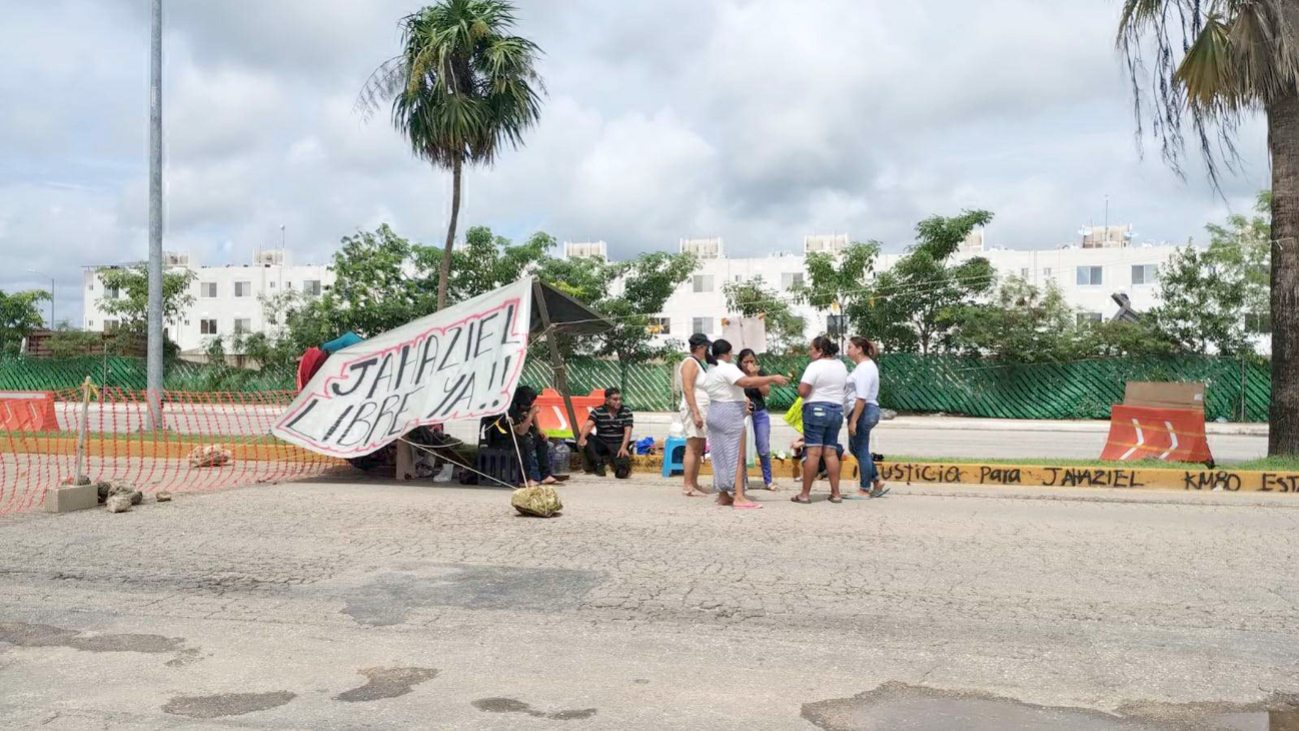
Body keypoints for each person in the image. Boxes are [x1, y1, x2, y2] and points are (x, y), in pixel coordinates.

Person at [703, 339, 788, 509]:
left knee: (720, 456)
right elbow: (746, 383)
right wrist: (772, 378)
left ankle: (723, 494)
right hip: (730, 413)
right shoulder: (727, 368)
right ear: (728, 353)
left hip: (714, 411)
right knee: (737, 456)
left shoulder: (711, 369)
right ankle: (739, 496)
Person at [792, 336, 848, 505]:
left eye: (811, 349)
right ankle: (836, 493)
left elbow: (803, 391)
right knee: (830, 452)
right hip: (836, 410)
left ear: (820, 351)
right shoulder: (841, 365)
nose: (809, 352)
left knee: (813, 452)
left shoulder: (815, 366)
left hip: (816, 409)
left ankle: (805, 494)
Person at [484, 386, 559, 487]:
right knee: (524, 443)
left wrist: (538, 429)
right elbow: (521, 431)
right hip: (499, 437)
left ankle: (545, 475)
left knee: (540, 438)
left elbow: (530, 414)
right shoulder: (510, 409)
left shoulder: (522, 406)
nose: (529, 406)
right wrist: (531, 414)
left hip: (514, 434)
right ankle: (525, 479)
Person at [845, 336, 888, 500]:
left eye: (849, 347)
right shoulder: (863, 367)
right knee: (855, 448)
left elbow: (861, 397)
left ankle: (864, 489)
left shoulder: (864, 368)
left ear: (859, 349)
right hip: (864, 411)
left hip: (863, 411)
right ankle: (876, 480)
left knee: (861, 449)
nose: (847, 350)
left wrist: (854, 420)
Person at [677, 334, 713, 497]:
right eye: (706, 347)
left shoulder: (699, 364)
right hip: (694, 408)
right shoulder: (690, 363)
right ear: (701, 347)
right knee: (692, 446)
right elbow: (688, 388)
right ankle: (687, 484)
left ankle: (694, 482)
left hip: (703, 408)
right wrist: (696, 412)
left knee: (699, 447)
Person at [738, 348, 778, 490]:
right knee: (743, 448)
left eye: (751, 361)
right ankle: (743, 479)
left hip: (759, 412)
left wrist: (755, 375)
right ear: (740, 362)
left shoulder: (760, 373)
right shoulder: (737, 374)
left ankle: (768, 480)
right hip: (743, 414)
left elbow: (766, 392)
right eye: (745, 362)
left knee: (763, 447)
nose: (749, 364)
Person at [578, 387, 634, 479]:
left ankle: (620, 466)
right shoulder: (598, 411)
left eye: (620, 399)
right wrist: (582, 438)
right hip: (602, 442)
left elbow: (628, 430)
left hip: (618, 444)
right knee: (587, 437)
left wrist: (624, 447)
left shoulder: (626, 411)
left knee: (622, 473)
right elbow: (588, 425)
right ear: (607, 401)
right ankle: (598, 463)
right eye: (615, 399)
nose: (618, 402)